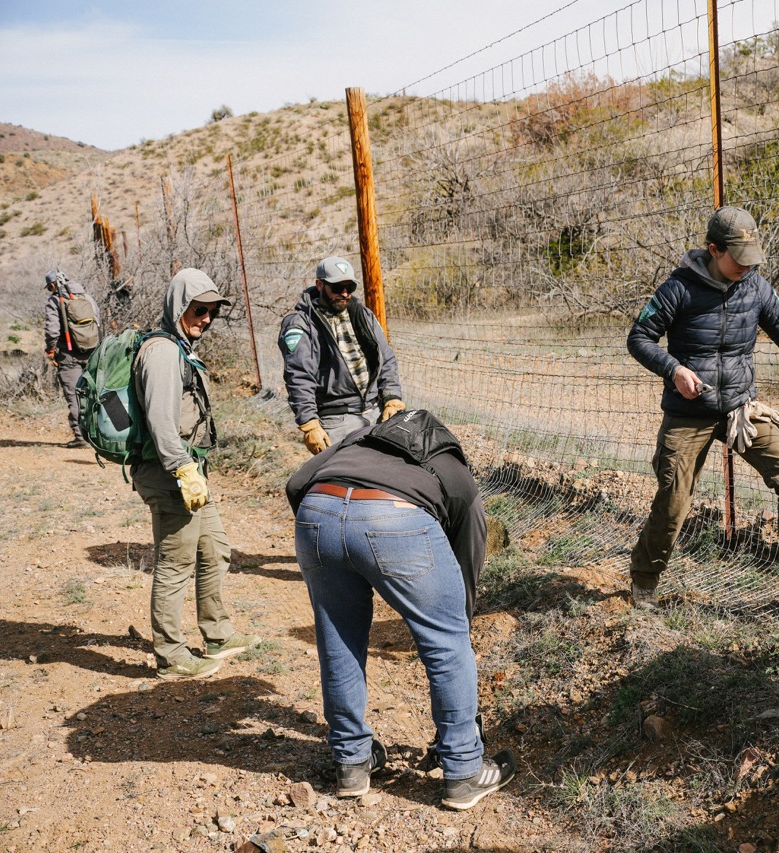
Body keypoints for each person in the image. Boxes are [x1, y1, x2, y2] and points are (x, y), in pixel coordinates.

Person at [626, 206, 779, 608]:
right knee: (673, 498)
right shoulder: (677, 289)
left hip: (740, 409)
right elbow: (640, 338)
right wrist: (674, 370)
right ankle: (644, 582)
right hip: (689, 412)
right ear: (714, 250)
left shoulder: (755, 287)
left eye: (751, 259)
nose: (745, 268)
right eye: (738, 260)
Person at [285, 408, 517, 809]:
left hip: (317, 513)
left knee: (338, 637)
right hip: (395, 518)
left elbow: (296, 483)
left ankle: (352, 763)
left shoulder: (358, 438)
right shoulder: (449, 463)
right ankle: (463, 769)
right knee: (447, 643)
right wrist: (457, 612)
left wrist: (331, 547)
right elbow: (468, 550)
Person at [132, 268, 261, 680]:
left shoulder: (179, 347)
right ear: (178, 306)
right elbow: (162, 422)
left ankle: (218, 634)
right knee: (175, 563)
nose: (205, 318)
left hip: (189, 472)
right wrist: (183, 469)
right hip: (171, 473)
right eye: (198, 309)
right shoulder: (164, 353)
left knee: (215, 548)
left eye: (211, 312)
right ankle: (171, 656)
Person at [278, 255, 404, 454]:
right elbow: (299, 376)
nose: (344, 294)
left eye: (349, 288)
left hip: (377, 412)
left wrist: (392, 397)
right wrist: (310, 423)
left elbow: (386, 358)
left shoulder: (363, 315)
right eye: (337, 288)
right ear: (320, 285)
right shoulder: (301, 324)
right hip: (336, 421)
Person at [43, 269, 99, 448]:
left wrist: (51, 350)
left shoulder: (55, 300)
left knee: (74, 394)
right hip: (92, 351)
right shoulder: (86, 296)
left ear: (52, 285)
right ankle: (99, 436)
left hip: (68, 354)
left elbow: (52, 330)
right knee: (94, 393)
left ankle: (81, 437)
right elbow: (97, 321)